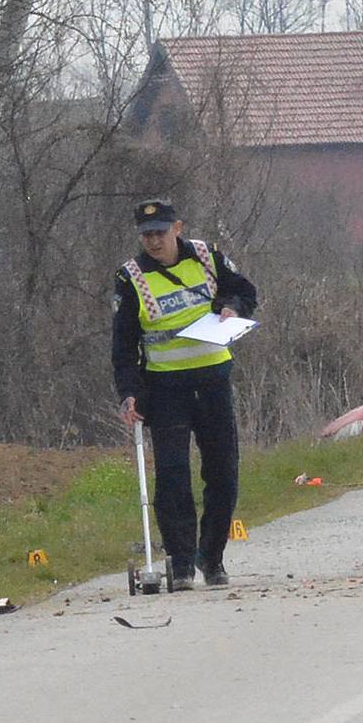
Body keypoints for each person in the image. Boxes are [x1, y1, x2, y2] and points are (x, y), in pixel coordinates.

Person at [111, 198, 258, 590]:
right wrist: (129, 393)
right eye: (146, 235)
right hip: (165, 388)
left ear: (177, 227)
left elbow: (245, 292)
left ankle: (211, 558)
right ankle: (179, 561)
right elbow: (123, 344)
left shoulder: (207, 257)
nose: (154, 242)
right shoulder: (131, 277)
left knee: (223, 473)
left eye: (160, 232)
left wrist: (231, 306)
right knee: (173, 477)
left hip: (213, 382)